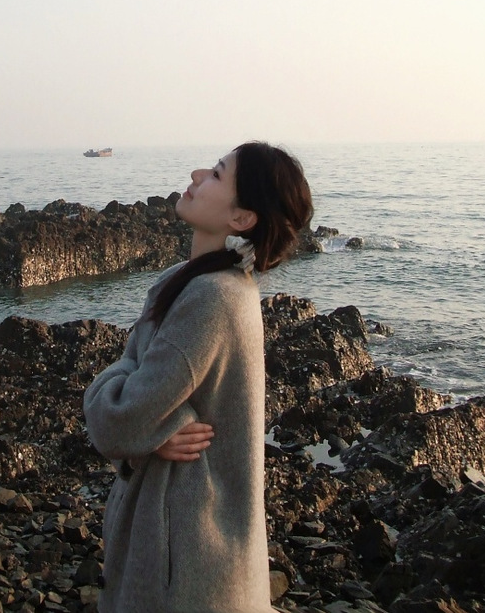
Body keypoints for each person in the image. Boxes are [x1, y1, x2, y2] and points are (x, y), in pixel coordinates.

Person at [83, 141, 314, 612]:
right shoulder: (187, 281)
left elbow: (118, 420)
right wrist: (156, 425)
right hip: (188, 548)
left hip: (189, 560)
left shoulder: (212, 298)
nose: (196, 175)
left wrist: (141, 419)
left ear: (241, 217)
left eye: (216, 174)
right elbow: (137, 398)